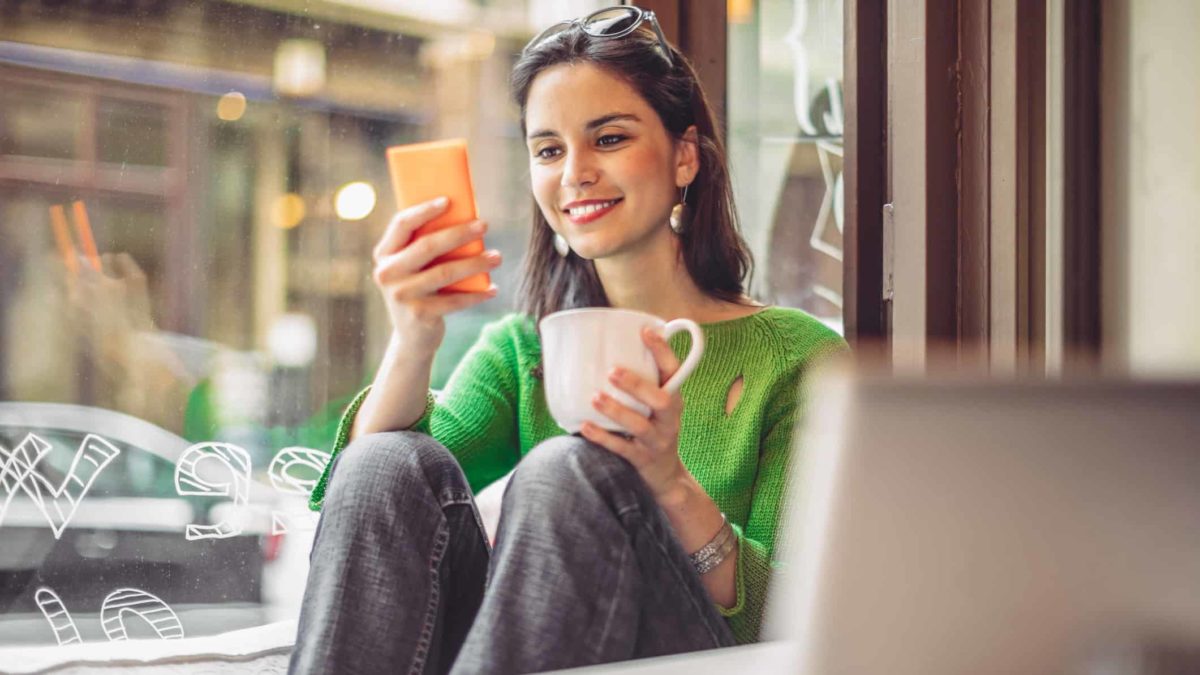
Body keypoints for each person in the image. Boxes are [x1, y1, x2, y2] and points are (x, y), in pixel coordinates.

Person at [289, 6, 846, 674]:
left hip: (708, 659)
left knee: (565, 466)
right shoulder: (523, 350)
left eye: (608, 138)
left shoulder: (797, 360)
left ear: (686, 156)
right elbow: (372, 496)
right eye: (548, 149)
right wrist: (413, 336)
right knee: (385, 460)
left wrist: (669, 484)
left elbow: (796, 618)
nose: (573, 172)